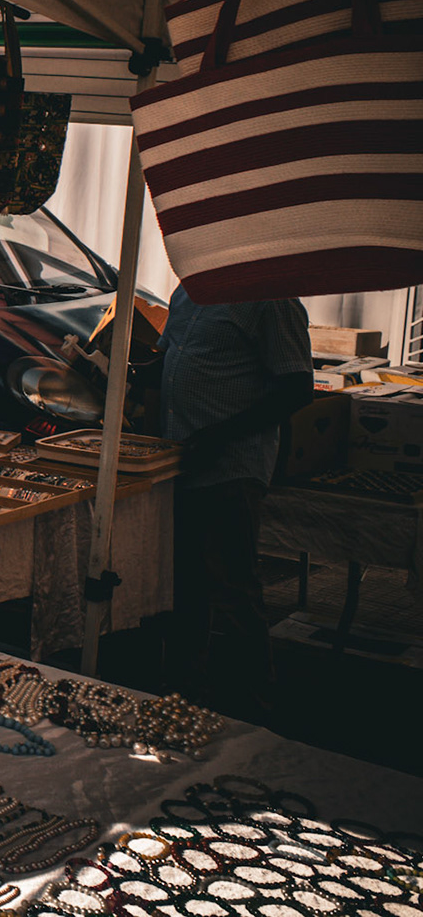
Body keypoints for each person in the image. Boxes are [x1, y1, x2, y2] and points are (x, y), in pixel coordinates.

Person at [155, 286, 311, 716]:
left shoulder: (272, 297)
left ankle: (253, 702)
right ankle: (186, 691)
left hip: (230, 467)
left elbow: (296, 387)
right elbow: (167, 356)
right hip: (179, 463)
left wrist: (219, 436)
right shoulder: (186, 293)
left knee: (232, 587)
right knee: (184, 586)